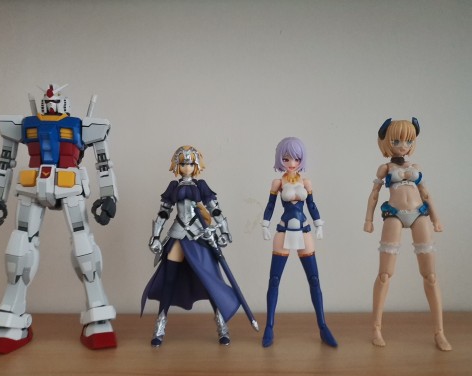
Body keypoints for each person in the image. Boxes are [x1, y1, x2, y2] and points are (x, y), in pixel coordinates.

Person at [0, 84, 118, 354]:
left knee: (84, 245)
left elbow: (104, 163)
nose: (51, 103)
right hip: (32, 187)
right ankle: (12, 315)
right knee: (19, 246)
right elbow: (4, 161)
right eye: (48, 100)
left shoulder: (82, 125)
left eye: (56, 101)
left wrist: (109, 195)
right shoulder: (24, 125)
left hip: (69, 187)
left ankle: (98, 313)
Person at [142, 145, 246, 347]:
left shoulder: (201, 186)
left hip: (199, 234)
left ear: (196, 165)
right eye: (183, 164)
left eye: (190, 163)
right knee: (169, 279)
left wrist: (224, 231)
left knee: (210, 279)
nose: (187, 167)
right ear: (177, 165)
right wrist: (155, 236)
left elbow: (214, 210)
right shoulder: (173, 186)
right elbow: (164, 212)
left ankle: (221, 324)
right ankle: (160, 324)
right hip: (178, 233)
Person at [364, 117, 451, 351]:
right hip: (394, 214)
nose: (403, 145)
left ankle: (439, 332)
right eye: (396, 141)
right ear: (387, 142)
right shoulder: (385, 168)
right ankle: (376, 328)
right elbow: (374, 195)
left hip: (419, 214)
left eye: (408, 141)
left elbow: (426, 194)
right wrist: (368, 219)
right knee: (384, 274)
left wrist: (436, 218)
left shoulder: (416, 168)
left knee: (430, 275)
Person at [261, 137, 337, 348]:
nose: (292, 163)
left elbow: (311, 206)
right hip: (283, 230)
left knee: (314, 279)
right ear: (280, 159)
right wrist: (265, 225)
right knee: (274, 280)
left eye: (296, 158)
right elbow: (270, 206)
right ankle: (269, 327)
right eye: (286, 158)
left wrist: (319, 224)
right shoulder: (278, 183)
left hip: (304, 231)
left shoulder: (306, 182)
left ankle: (323, 326)